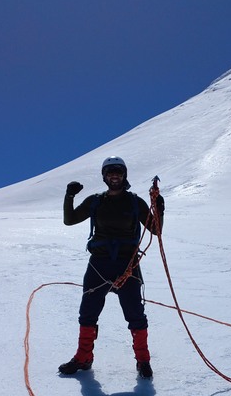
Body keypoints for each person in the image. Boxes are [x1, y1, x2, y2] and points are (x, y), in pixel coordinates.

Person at [58, 156, 165, 379]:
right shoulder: (96, 201)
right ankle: (83, 357)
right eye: (110, 172)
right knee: (88, 313)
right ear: (104, 176)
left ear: (124, 174)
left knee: (135, 314)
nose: (114, 175)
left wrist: (160, 210)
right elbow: (70, 220)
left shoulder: (135, 203)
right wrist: (69, 196)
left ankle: (143, 360)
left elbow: (155, 230)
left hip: (128, 265)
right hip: (99, 264)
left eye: (118, 171)